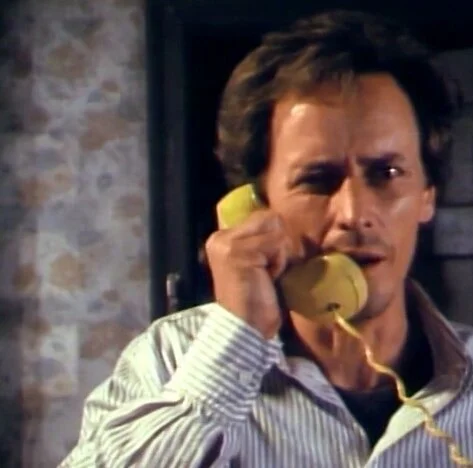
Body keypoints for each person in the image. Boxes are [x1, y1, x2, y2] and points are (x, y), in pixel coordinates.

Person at [60, 10, 473, 467]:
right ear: (257, 205)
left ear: (427, 196)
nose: (354, 214)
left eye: (387, 173)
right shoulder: (168, 360)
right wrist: (237, 341)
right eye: (317, 180)